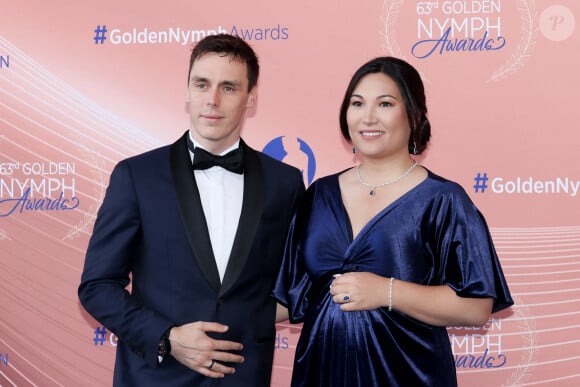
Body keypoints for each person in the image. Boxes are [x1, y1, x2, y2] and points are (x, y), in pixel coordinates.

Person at [78, 33, 305, 387]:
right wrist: (167, 337)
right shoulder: (136, 176)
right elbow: (97, 286)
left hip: (244, 377)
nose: (212, 100)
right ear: (187, 91)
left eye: (228, 87)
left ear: (251, 97)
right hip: (156, 378)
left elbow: (296, 284)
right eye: (202, 84)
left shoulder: (285, 183)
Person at [273, 56, 513, 387]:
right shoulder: (318, 195)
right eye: (357, 103)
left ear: (413, 115)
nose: (368, 117)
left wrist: (386, 291)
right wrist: (201, 314)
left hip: (407, 374)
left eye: (385, 103)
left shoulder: (443, 199)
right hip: (322, 371)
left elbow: (476, 307)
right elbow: (286, 297)